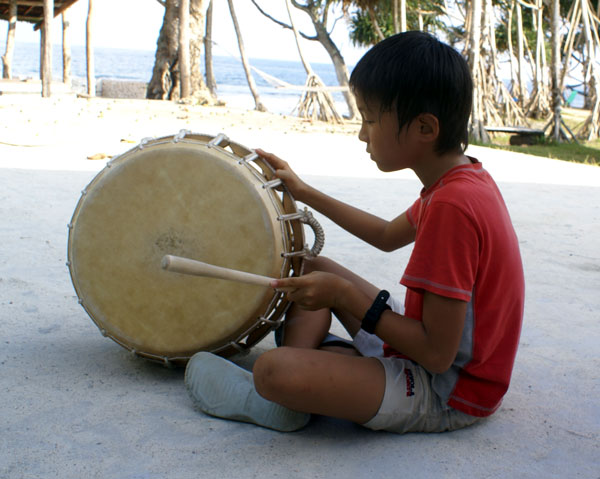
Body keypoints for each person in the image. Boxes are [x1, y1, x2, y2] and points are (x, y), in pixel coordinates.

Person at [184, 31, 525, 434]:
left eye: (370, 118)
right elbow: (384, 235)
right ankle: (315, 376)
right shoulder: (459, 180)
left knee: (272, 372)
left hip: (449, 390)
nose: (363, 133)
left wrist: (343, 295)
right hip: (423, 350)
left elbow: (435, 355)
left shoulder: (453, 206)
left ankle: (284, 391)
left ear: (424, 128)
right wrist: (304, 190)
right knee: (310, 265)